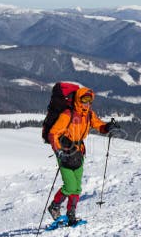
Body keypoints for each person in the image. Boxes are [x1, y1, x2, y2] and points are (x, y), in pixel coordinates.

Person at [47, 86, 117, 225]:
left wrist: (108, 127)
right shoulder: (68, 114)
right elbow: (53, 134)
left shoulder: (89, 114)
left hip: (78, 153)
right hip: (65, 152)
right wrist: (58, 151)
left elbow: (99, 126)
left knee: (77, 187)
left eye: (89, 100)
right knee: (70, 185)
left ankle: (71, 215)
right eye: (84, 99)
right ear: (78, 99)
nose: (87, 103)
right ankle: (54, 206)